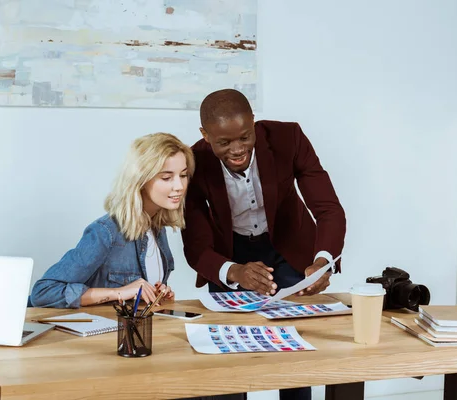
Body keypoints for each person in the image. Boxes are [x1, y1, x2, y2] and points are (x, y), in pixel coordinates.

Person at [181, 89, 346, 400]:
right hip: (229, 255)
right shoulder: (193, 162)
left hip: (286, 246)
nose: (237, 149)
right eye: (224, 143)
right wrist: (234, 271)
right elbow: (196, 244)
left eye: (244, 137)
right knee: (230, 352)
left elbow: (327, 208)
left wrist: (323, 259)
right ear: (205, 134)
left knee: (294, 349)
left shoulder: (288, 138)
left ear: (254, 122)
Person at [30, 133, 195, 308]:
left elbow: (137, 291)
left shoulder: (157, 229)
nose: (179, 186)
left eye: (183, 175)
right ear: (141, 179)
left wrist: (156, 293)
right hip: (97, 333)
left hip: (132, 331)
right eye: (166, 178)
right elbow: (43, 293)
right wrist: (119, 293)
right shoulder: (105, 231)